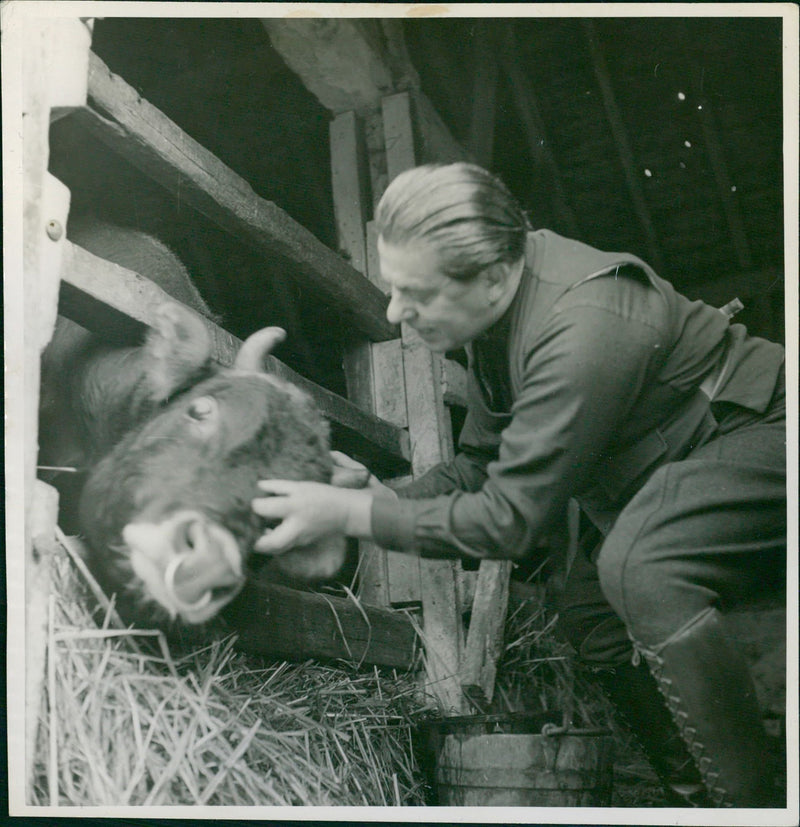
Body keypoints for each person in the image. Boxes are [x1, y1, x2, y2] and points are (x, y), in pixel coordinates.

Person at [251, 162, 786, 808]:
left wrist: (348, 516)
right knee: (591, 614)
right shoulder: (498, 323)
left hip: (766, 435)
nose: (394, 312)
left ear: (494, 276)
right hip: (671, 471)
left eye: (416, 293)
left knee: (643, 565)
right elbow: (480, 464)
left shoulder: (583, 323)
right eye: (393, 289)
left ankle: (751, 807)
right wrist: (380, 498)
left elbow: (510, 521)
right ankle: (693, 796)